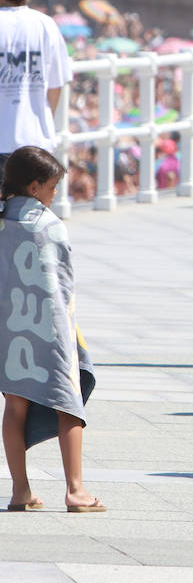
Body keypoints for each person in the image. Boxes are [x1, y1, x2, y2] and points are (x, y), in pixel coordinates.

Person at [1, 147, 103, 513]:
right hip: (52, 329)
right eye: (53, 185)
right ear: (34, 186)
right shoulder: (49, 225)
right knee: (68, 404)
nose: (55, 193)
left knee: (15, 405)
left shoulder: (1, 221)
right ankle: (75, 490)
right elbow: (63, 285)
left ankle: (20, 490)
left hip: (11, 330)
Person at [0, 0, 72, 175]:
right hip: (37, 141)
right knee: (31, 208)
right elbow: (56, 86)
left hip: (2, 143)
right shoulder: (46, 24)